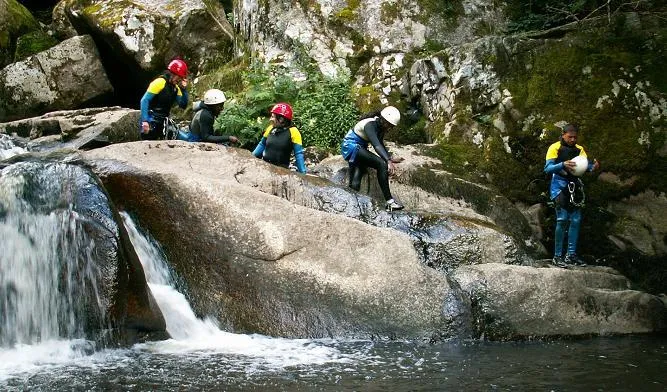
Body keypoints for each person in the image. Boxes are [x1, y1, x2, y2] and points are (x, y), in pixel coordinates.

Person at [544, 124, 600, 268]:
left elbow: (584, 167)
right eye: (570, 137)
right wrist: (562, 165)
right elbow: (548, 169)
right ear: (563, 135)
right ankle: (557, 256)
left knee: (575, 220)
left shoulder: (580, 149)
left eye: (575, 137)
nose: (573, 140)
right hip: (559, 186)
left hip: (575, 186)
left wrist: (592, 167)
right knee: (562, 220)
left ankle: (571, 255)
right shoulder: (554, 147)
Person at [340, 106, 404, 211]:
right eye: (389, 125)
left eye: (391, 127)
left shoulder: (380, 127)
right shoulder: (370, 125)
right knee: (381, 164)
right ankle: (390, 202)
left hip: (359, 149)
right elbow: (376, 145)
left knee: (356, 182)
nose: (389, 128)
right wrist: (387, 161)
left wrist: (389, 158)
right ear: (383, 120)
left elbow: (380, 144)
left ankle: (351, 206)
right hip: (352, 147)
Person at [139, 58, 189, 140]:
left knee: (186, 139)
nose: (179, 80)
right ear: (173, 74)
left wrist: (184, 89)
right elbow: (144, 100)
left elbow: (183, 105)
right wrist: (145, 121)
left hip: (164, 122)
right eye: (179, 78)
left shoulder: (176, 88)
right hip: (152, 120)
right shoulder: (159, 82)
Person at [252, 103, 306, 173]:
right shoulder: (270, 128)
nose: (270, 119)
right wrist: (251, 157)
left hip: (282, 171)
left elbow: (298, 154)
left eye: (273, 117)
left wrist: (303, 172)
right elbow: (262, 144)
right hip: (265, 167)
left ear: (281, 119)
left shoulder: (294, 132)